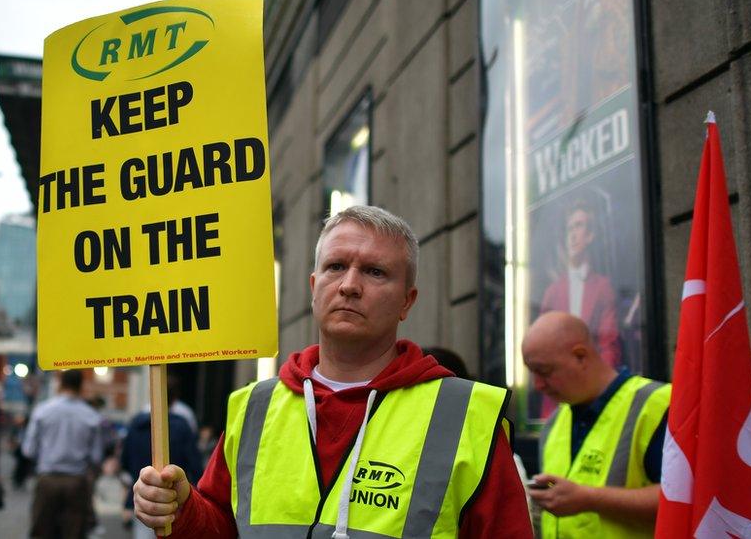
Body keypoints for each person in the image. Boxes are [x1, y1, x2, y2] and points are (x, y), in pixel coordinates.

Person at [132, 205, 532, 537]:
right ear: (313, 286)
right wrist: (182, 506)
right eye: (336, 267)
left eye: (375, 272)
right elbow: (221, 528)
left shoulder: (465, 416)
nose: (349, 285)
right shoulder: (255, 407)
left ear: (407, 302)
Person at [521, 311, 670, 538]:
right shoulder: (554, 423)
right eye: (532, 373)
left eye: (544, 371)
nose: (538, 385)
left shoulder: (655, 404)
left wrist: (588, 498)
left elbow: (684, 498)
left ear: (580, 356)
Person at [539, 200, 621, 417]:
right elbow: (542, 350)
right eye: (570, 228)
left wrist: (603, 389)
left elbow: (609, 343)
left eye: (579, 226)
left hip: (594, 395)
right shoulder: (553, 292)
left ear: (590, 236)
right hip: (557, 401)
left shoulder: (603, 287)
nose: (573, 235)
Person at [22, 369, 103, 539]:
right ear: (81, 385)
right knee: (73, 532)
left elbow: (28, 450)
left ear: (60, 383)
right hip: (76, 482)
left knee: (42, 531)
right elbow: (96, 457)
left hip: (47, 480)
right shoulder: (91, 416)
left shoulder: (42, 411)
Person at [120, 379, 204, 539]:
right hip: (174, 500)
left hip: (143, 496)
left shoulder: (135, 424)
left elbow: (125, 459)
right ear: (175, 398)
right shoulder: (183, 426)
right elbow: (195, 464)